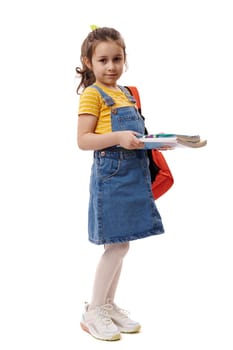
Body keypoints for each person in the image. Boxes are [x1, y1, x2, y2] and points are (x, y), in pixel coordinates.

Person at [76, 26, 164, 341]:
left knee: (121, 243)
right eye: (103, 60)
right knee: (115, 245)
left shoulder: (126, 93)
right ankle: (93, 310)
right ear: (88, 62)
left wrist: (156, 142)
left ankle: (108, 305)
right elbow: (83, 140)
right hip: (112, 177)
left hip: (133, 174)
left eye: (117, 58)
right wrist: (117, 138)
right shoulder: (92, 94)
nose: (111, 66)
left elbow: (134, 136)